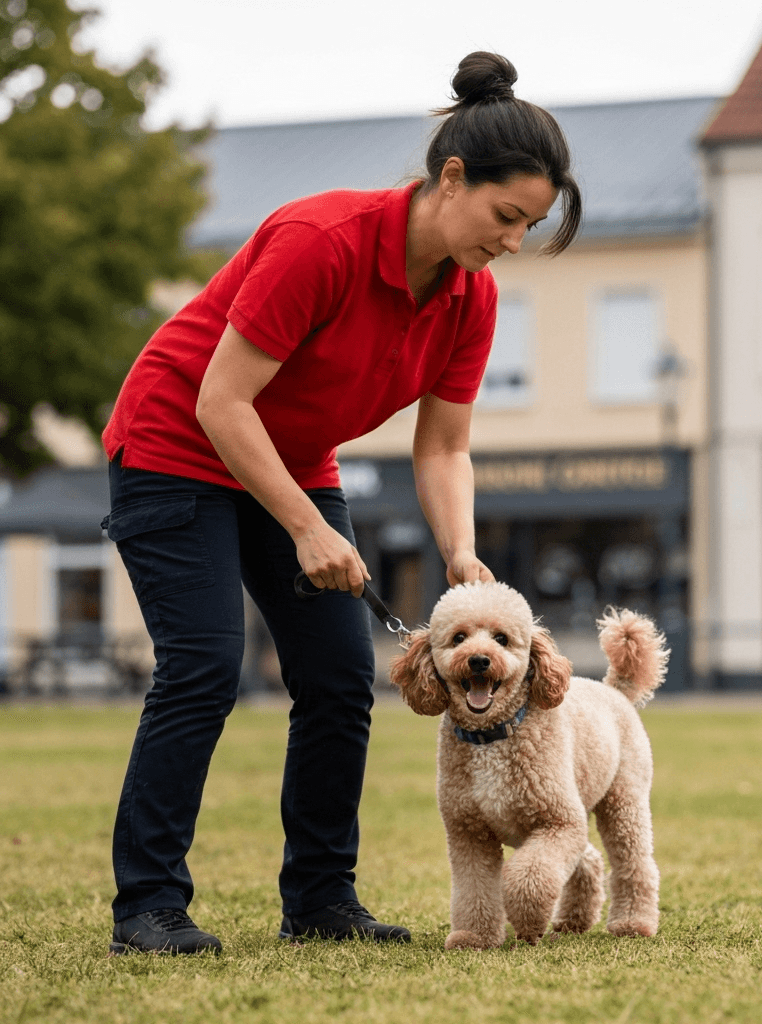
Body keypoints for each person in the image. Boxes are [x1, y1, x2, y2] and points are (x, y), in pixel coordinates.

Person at [99, 51, 582, 955]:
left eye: (531, 225)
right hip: (175, 444)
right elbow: (220, 401)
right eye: (506, 216)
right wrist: (305, 524)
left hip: (292, 458)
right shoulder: (323, 240)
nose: (514, 241)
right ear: (450, 178)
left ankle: (321, 902)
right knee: (203, 666)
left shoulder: (470, 297)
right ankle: (148, 907)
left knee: (335, 679)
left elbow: (443, 445)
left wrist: (460, 556)